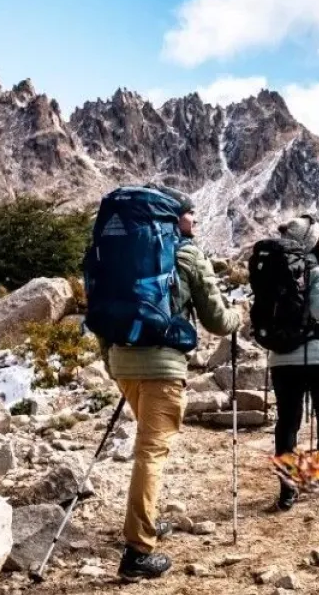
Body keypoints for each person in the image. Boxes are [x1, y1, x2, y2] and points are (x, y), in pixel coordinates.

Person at [107, 184, 242, 580]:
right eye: (189, 213)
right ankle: (137, 552)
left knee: (147, 448)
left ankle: (146, 523)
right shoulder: (186, 254)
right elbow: (217, 320)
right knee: (150, 454)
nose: (195, 219)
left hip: (122, 361)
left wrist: (113, 362)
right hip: (163, 366)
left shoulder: (121, 250)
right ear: (174, 217)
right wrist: (239, 316)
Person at [269, 216, 319, 511]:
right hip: (318, 357)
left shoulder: (273, 273)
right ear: (315, 241)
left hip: (281, 359)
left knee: (287, 423)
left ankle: (287, 489)